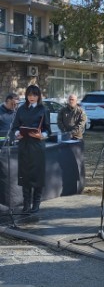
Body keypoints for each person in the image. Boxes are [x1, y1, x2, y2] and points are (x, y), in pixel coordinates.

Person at [12, 85, 51, 213]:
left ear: (38, 96)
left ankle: (36, 204)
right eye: (29, 95)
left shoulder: (43, 109)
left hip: (37, 146)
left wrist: (42, 135)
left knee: (37, 175)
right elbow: (15, 126)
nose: (32, 97)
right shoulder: (21, 109)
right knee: (25, 175)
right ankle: (26, 204)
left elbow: (47, 130)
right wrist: (17, 133)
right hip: (24, 145)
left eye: (34, 95)